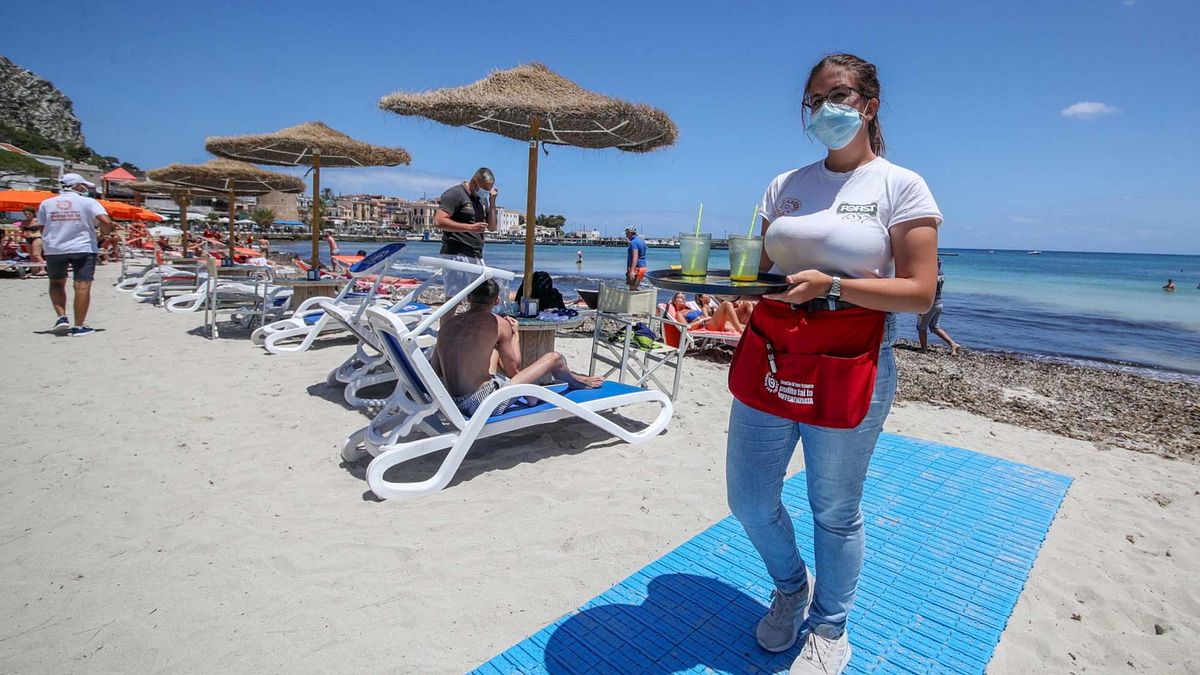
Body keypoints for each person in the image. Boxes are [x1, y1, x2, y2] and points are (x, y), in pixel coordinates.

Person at [726, 54, 941, 675]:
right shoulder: (783, 184)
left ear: (869, 105)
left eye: (838, 96)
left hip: (851, 360)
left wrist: (834, 287)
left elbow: (920, 291)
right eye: (814, 99)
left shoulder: (901, 186)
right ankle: (791, 586)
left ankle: (829, 624)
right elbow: (764, 275)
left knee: (834, 507)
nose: (824, 110)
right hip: (773, 353)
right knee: (748, 498)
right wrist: (732, 294)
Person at [429, 279, 601, 418]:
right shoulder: (497, 323)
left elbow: (436, 370)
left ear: (469, 299)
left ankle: (532, 392)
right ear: (496, 300)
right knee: (554, 358)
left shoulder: (447, 325)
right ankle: (576, 382)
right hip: (482, 403)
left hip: (451, 400)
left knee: (494, 350)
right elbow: (514, 369)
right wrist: (515, 334)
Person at [37, 173, 116, 336]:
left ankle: (62, 317)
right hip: (83, 247)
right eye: (83, 186)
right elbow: (106, 222)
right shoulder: (88, 202)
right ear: (78, 186)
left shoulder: (46, 203)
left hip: (55, 248)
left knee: (56, 283)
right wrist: (104, 234)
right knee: (82, 286)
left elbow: (42, 228)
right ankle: (79, 326)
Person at [435, 168, 498, 321]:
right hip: (456, 252)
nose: (486, 191)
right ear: (475, 182)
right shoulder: (455, 194)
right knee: (454, 299)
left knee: (480, 299)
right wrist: (470, 227)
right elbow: (439, 221)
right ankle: (444, 339)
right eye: (485, 188)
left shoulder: (481, 199)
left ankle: (469, 335)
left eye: (489, 189)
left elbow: (492, 227)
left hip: (475, 253)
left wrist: (492, 201)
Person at [917, 259, 961, 355]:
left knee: (922, 328)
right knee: (934, 327)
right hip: (939, 302)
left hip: (931, 303)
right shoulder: (941, 273)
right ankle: (953, 344)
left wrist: (921, 307)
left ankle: (923, 349)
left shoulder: (930, 274)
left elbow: (927, 291)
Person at [17, 207, 46, 275]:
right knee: (31, 256)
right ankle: (35, 270)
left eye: (29, 213)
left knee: (36, 254)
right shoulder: (24, 222)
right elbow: (22, 230)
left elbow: (43, 229)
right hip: (27, 239)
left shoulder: (37, 221)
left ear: (33, 213)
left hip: (36, 238)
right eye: (25, 214)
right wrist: (23, 233)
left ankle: (43, 269)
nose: (27, 215)